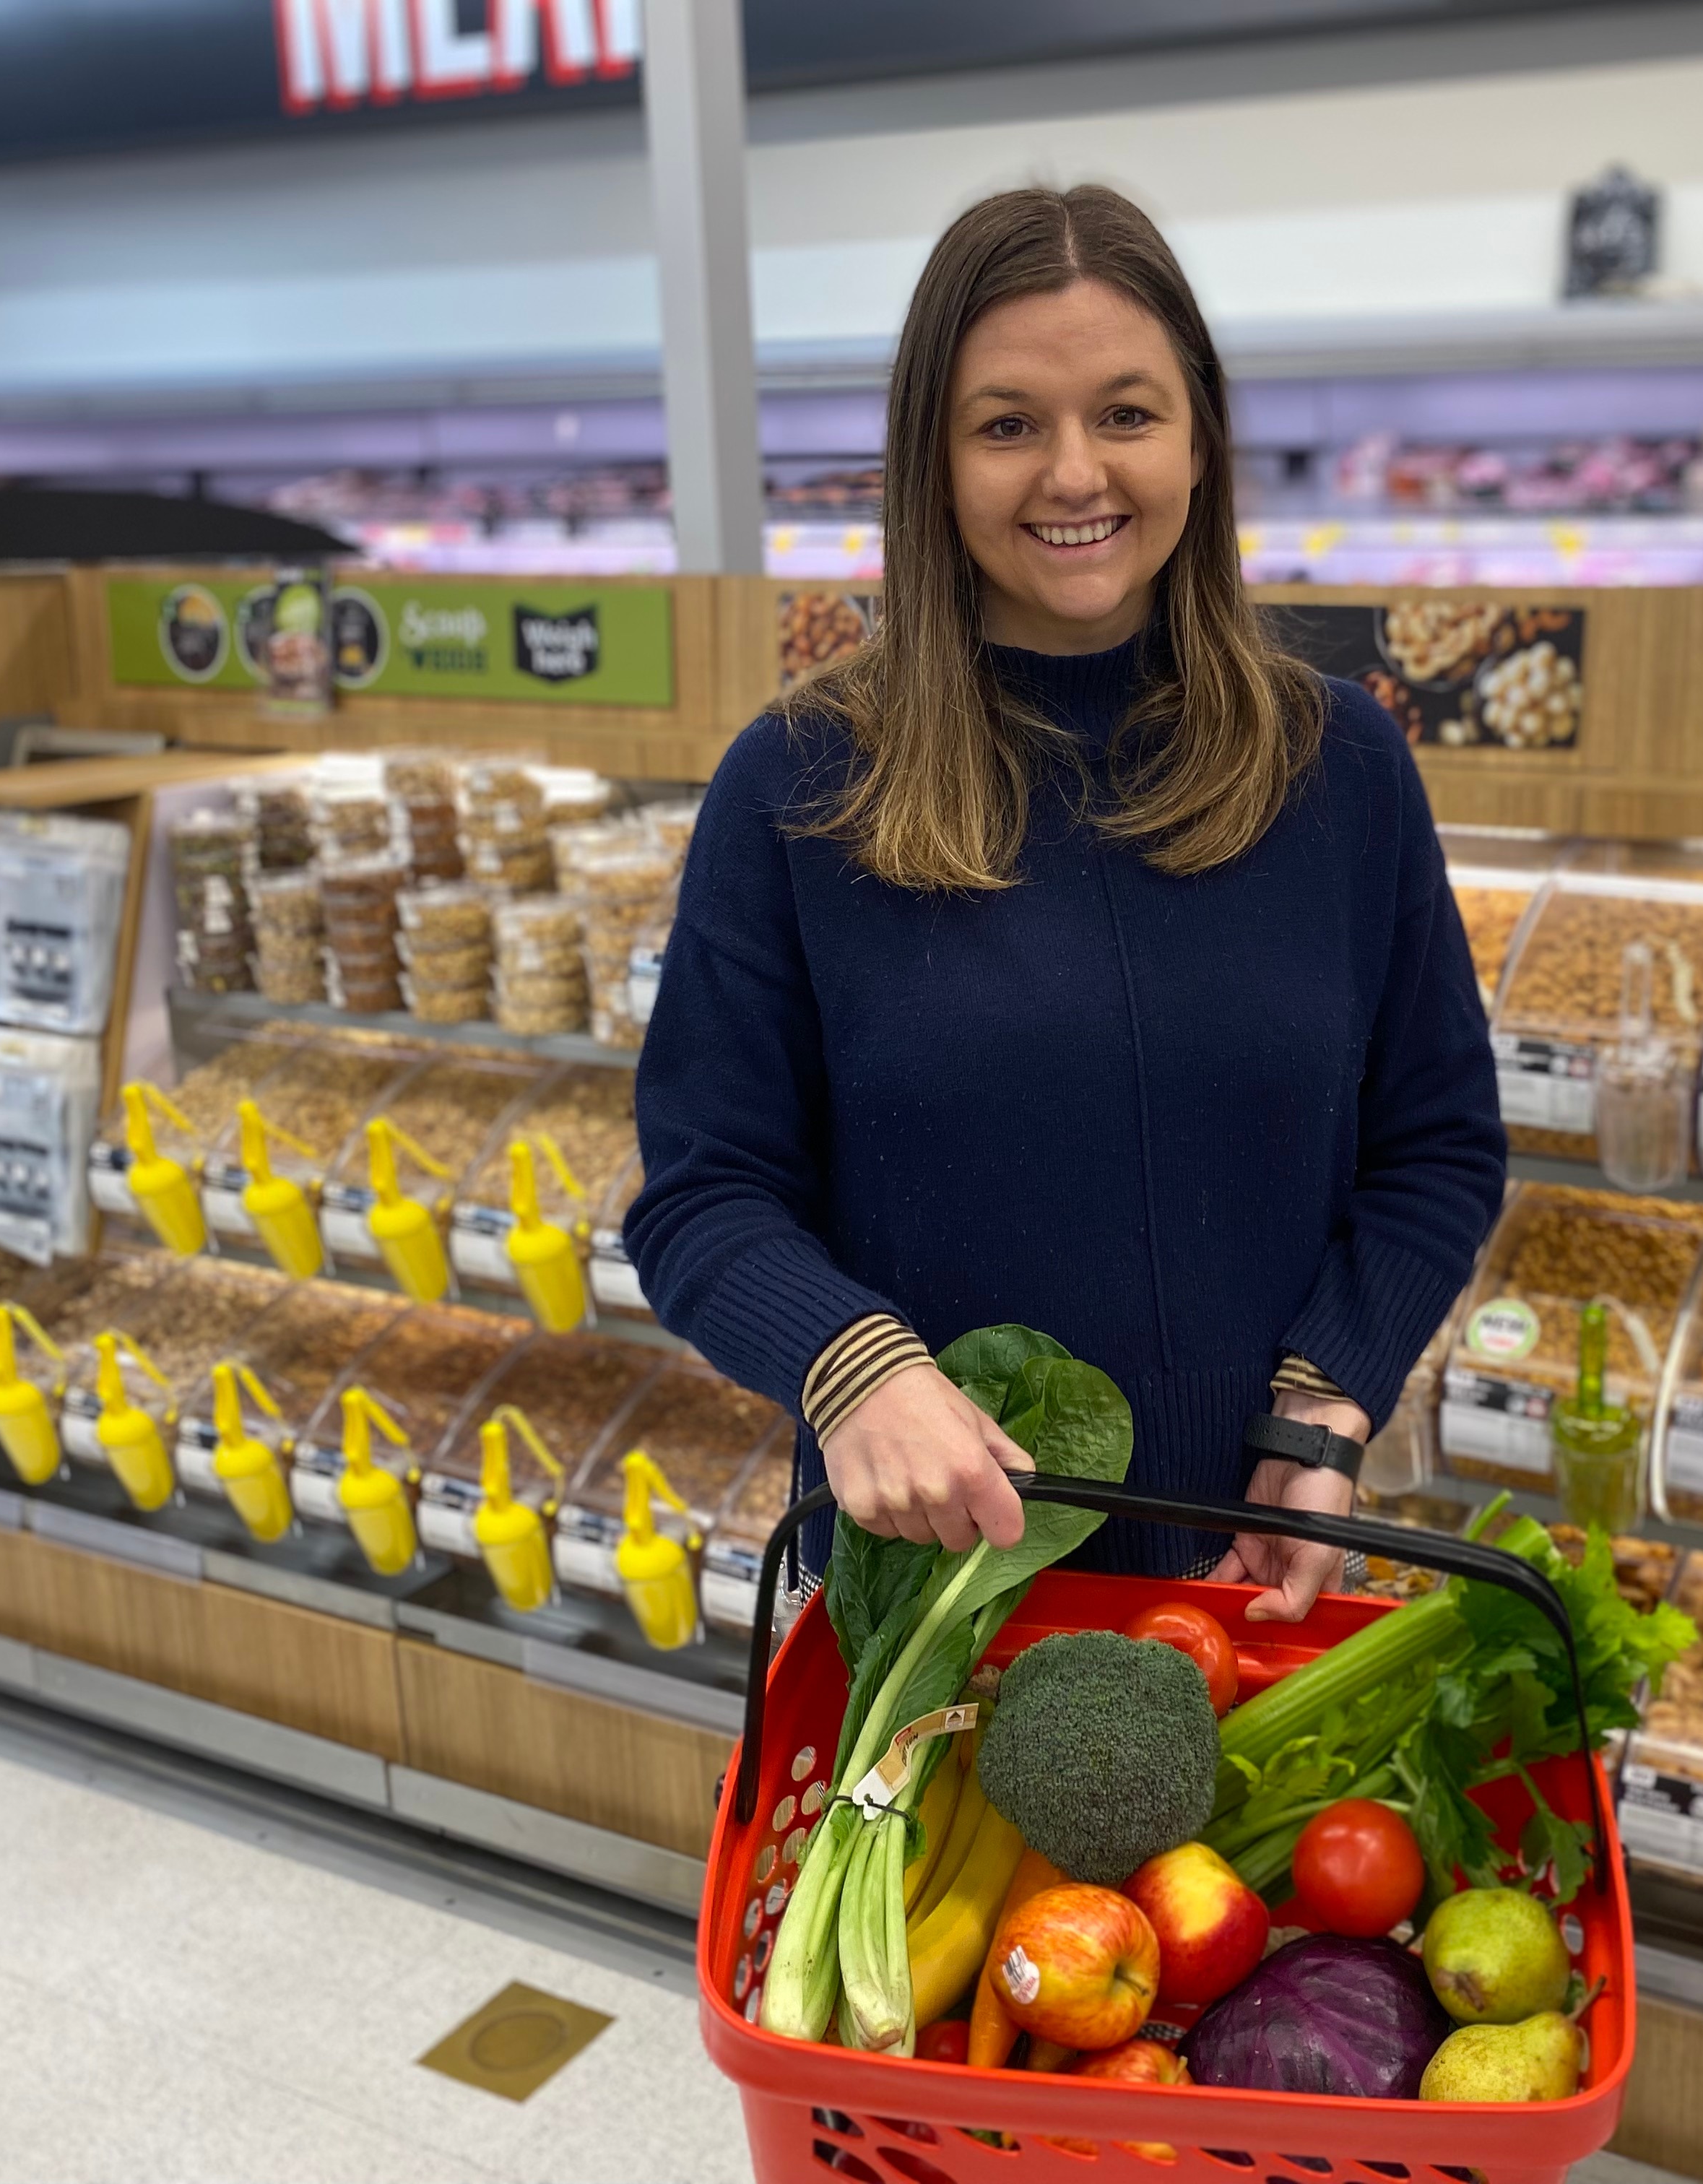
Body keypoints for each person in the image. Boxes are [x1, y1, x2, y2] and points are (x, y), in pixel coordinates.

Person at [626, 184, 1504, 1618]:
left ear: (1200, 437)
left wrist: (1323, 1411)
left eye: (1129, 414)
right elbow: (703, 1197)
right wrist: (854, 1368)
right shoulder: (799, 783)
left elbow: (1437, 1148)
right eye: (1009, 423)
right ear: (934, 458)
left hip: (1248, 1581)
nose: (1075, 474)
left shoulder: (1340, 764)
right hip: (926, 1604)